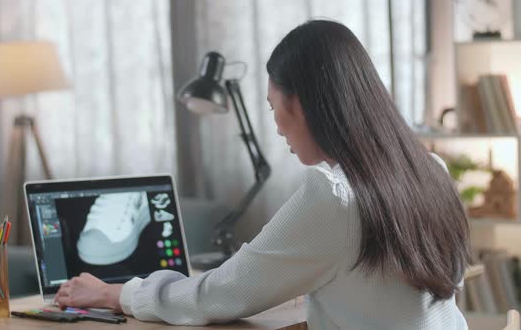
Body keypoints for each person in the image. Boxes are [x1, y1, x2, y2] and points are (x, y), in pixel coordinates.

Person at [54, 20, 471, 329]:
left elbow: (219, 294)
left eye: (274, 107)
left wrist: (116, 293)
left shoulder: (333, 197)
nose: (275, 126)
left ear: (304, 104)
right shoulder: (429, 172)